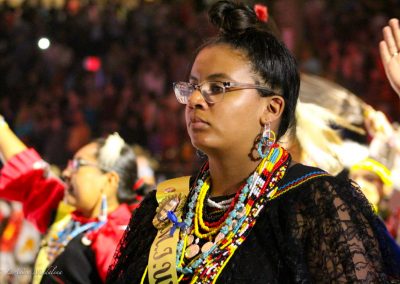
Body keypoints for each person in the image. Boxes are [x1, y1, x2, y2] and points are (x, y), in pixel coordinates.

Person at [108, 2, 400, 283]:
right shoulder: (163, 208)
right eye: (194, 86)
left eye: (217, 87)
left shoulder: (312, 204)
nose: (196, 100)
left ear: (271, 109)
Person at [0, 114, 139, 283]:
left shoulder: (118, 239)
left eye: (78, 165)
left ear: (110, 180)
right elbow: (33, 176)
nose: (66, 173)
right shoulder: (70, 214)